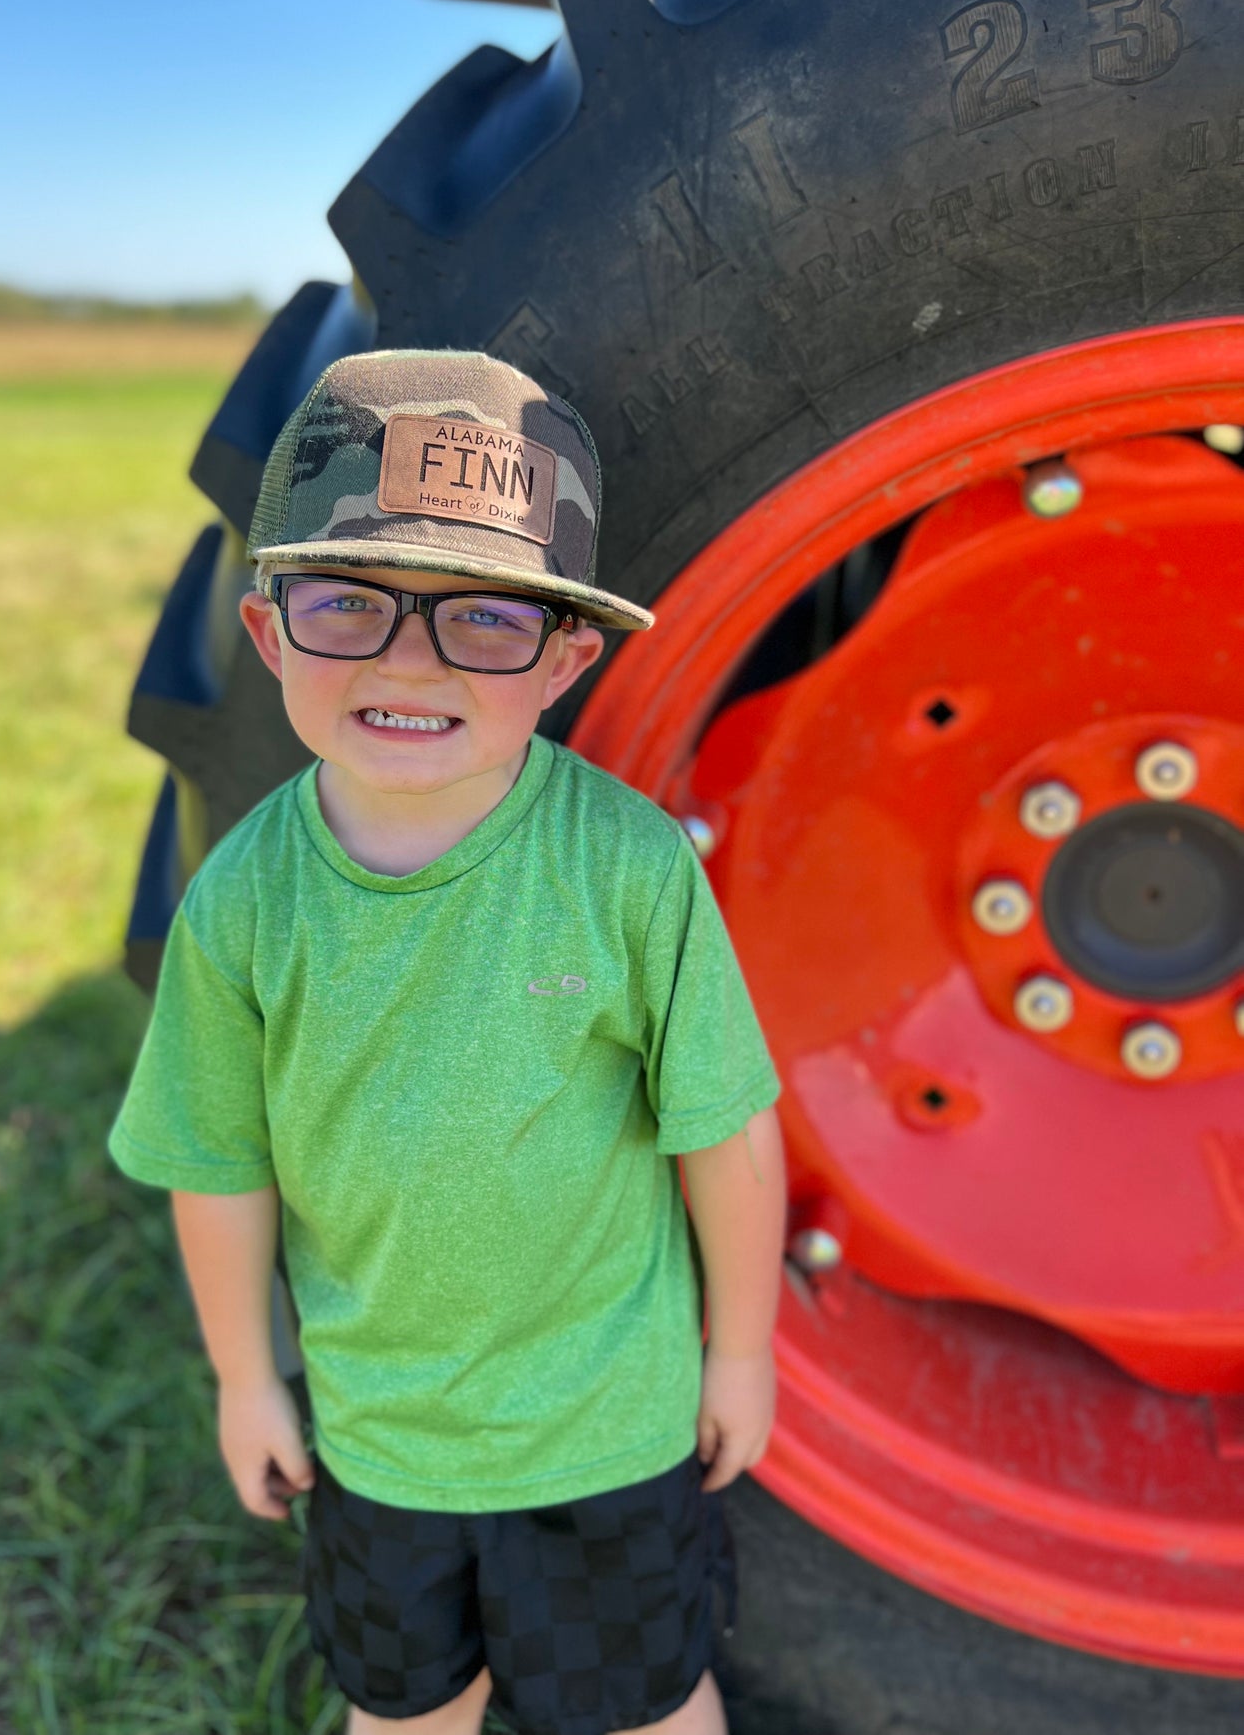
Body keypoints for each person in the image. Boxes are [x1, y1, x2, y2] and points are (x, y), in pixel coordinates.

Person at [108, 348, 785, 1735]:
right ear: (268, 629)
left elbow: (721, 1123)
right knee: (407, 1709)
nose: (410, 662)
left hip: (609, 1428)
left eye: (484, 620)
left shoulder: (628, 870)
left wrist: (740, 1353)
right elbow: (215, 1164)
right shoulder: (240, 904)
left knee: (645, 1707)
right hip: (382, 1441)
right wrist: (248, 1376)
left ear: (567, 656)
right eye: (351, 604)